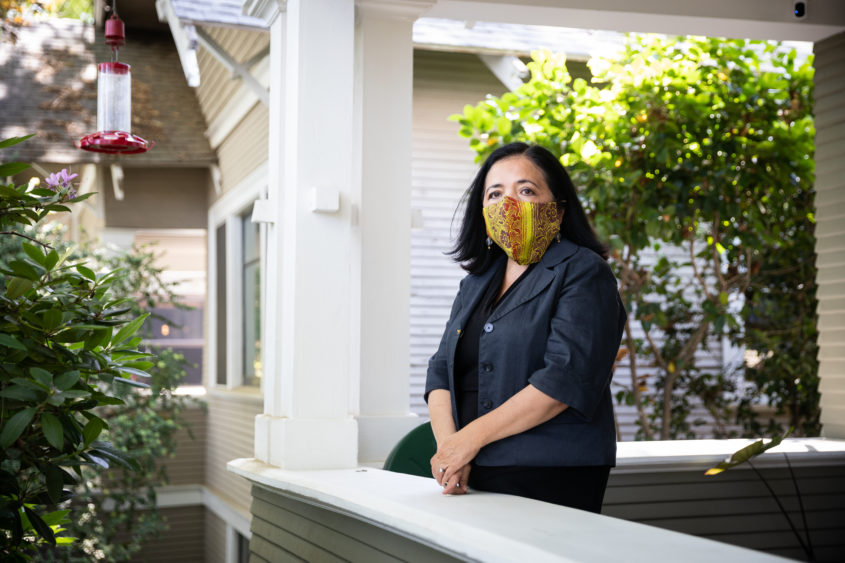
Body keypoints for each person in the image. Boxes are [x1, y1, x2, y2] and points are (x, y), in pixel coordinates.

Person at [424, 142, 626, 512]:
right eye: (495, 193)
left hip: (552, 470)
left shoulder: (583, 272)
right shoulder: (476, 282)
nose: (509, 204)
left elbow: (563, 379)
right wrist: (451, 449)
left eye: (526, 190)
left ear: (559, 207)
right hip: (471, 469)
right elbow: (440, 370)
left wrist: (469, 439)